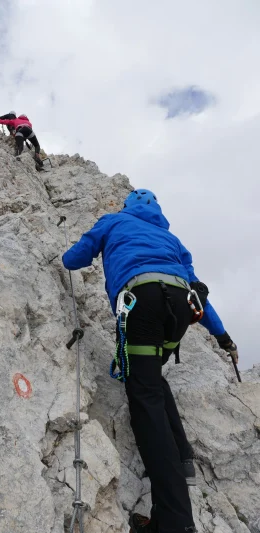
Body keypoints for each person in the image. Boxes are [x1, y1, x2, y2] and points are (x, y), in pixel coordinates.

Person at [62, 189, 238, 533]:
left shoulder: (113, 221)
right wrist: (223, 337)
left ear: (126, 206)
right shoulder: (170, 239)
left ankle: (174, 522)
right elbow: (197, 291)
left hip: (142, 301)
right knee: (151, 379)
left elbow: (74, 259)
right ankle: (184, 457)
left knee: (144, 399)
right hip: (180, 307)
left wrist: (78, 248)